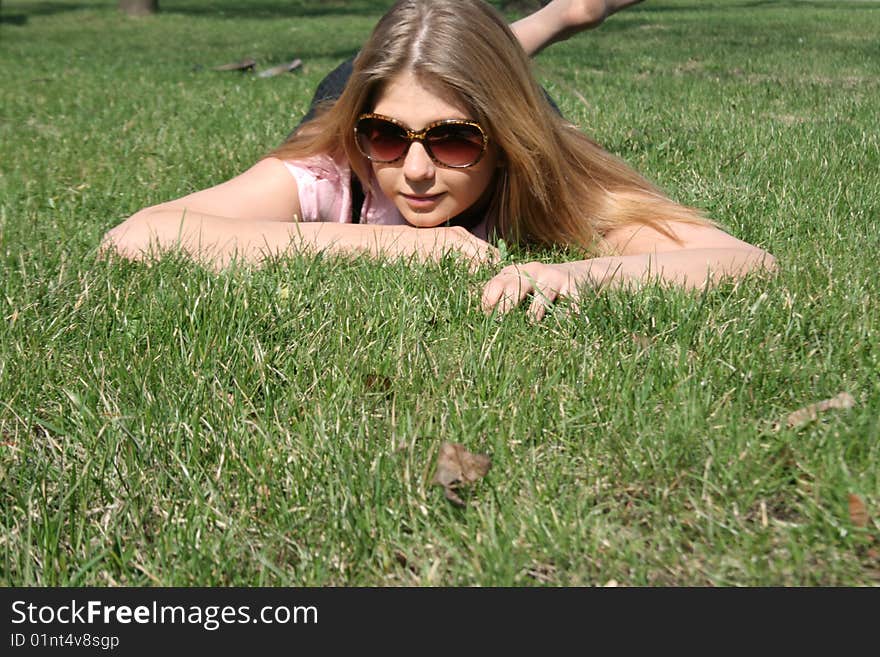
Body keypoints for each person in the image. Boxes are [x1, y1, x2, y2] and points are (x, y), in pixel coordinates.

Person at [103, 0, 775, 321]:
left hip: (496, 96)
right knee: (418, 65)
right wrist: (403, 249)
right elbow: (132, 239)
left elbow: (748, 261)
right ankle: (548, 20)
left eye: (455, 140)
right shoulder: (340, 162)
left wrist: (582, 276)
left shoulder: (538, 173)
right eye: (390, 138)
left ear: (503, 138)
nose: (416, 171)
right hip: (353, 86)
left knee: (472, 65)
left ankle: (553, 19)